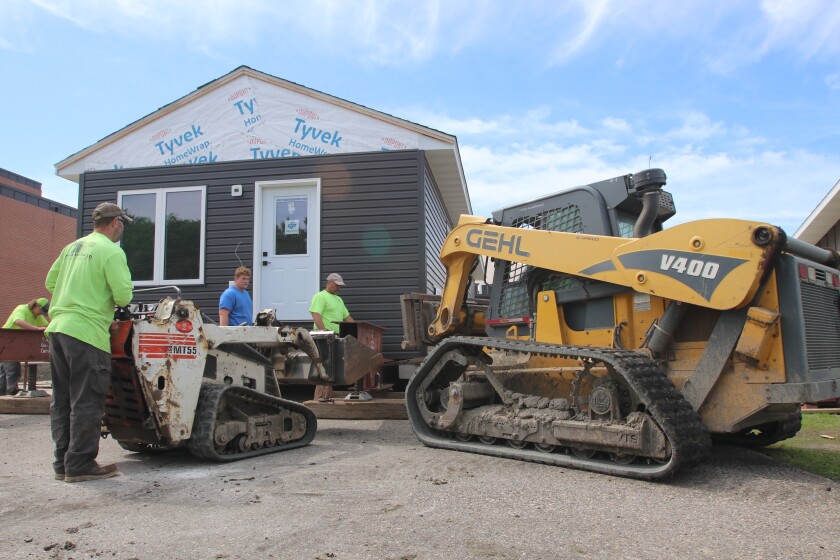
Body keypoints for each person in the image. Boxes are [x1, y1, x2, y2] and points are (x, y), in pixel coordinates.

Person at [45, 202, 134, 483]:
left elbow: (51, 283)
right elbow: (123, 297)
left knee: (62, 400)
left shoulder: (72, 248)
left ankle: (62, 463)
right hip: (87, 332)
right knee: (87, 400)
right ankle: (81, 464)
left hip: (58, 328)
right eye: (123, 224)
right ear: (116, 222)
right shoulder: (111, 251)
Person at [309, 273, 354, 401]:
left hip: (336, 337)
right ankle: (318, 400)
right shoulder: (320, 296)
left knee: (332, 369)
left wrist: (357, 329)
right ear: (329, 283)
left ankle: (326, 398)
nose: (339, 288)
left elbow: (347, 317)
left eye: (340, 286)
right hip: (323, 338)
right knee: (324, 369)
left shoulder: (338, 299)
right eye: (337, 285)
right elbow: (315, 314)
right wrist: (323, 330)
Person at [0, 298, 50, 395]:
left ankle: (2, 396)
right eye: (41, 311)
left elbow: (47, 325)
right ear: (36, 306)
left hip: (15, 344)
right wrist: (36, 329)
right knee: (12, 368)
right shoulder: (22, 309)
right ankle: (11, 393)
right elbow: (18, 321)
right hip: (6, 343)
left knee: (3, 371)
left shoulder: (37, 315)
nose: (41, 314)